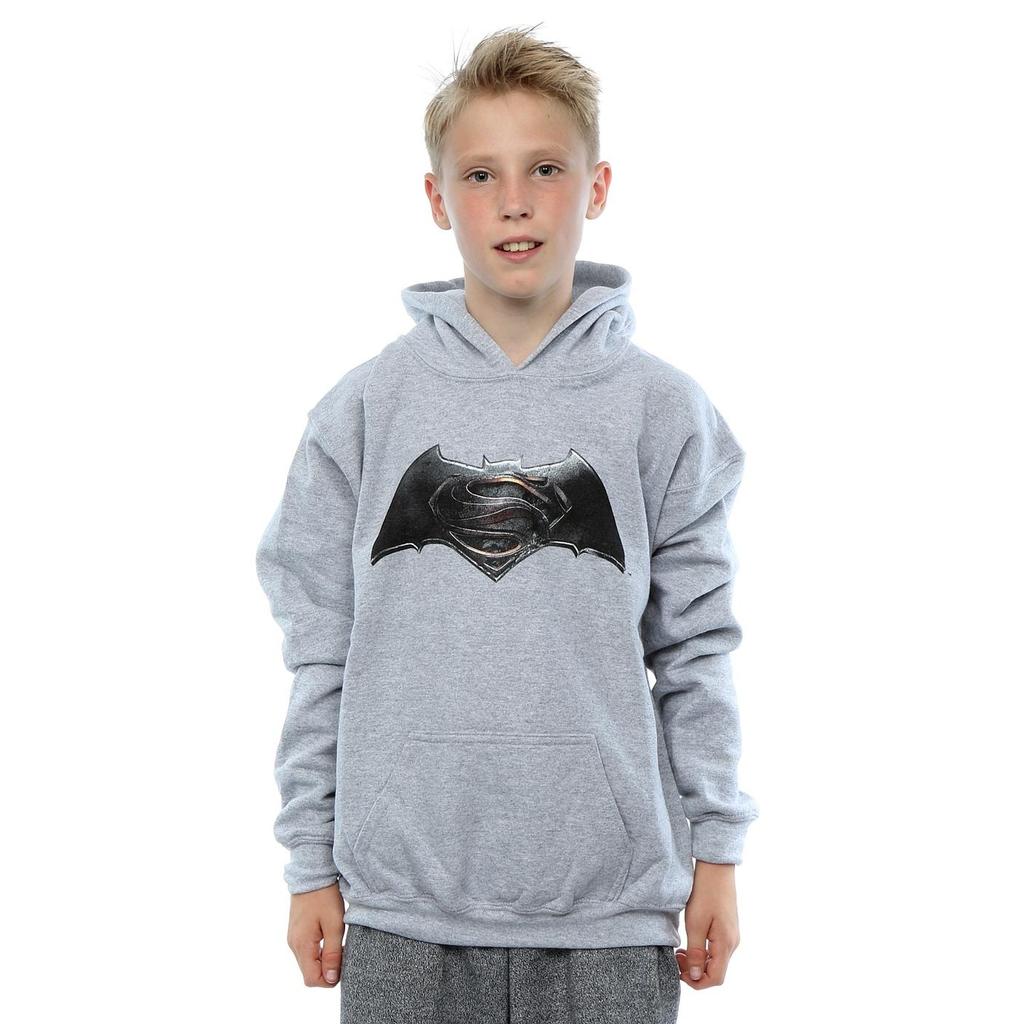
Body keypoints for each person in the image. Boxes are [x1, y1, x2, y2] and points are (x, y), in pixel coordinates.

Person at [255, 23, 759, 1024]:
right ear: (438, 197)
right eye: (481, 174)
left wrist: (718, 852)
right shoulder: (365, 410)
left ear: (597, 187)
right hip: (403, 902)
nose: (515, 200)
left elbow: (696, 648)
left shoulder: (662, 410)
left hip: (611, 905)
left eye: (545, 169)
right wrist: (309, 859)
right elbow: (320, 648)